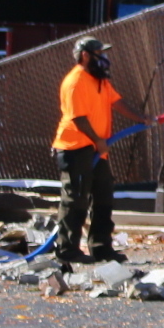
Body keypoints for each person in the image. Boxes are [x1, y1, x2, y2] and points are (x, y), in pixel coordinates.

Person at [52, 37, 123, 265]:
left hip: (95, 148)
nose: (104, 58)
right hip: (76, 148)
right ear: (85, 55)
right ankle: (67, 249)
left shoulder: (99, 80)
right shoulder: (75, 81)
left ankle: (101, 248)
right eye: (99, 53)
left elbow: (117, 102)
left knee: (103, 195)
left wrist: (144, 119)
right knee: (76, 199)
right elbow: (78, 118)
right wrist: (98, 140)